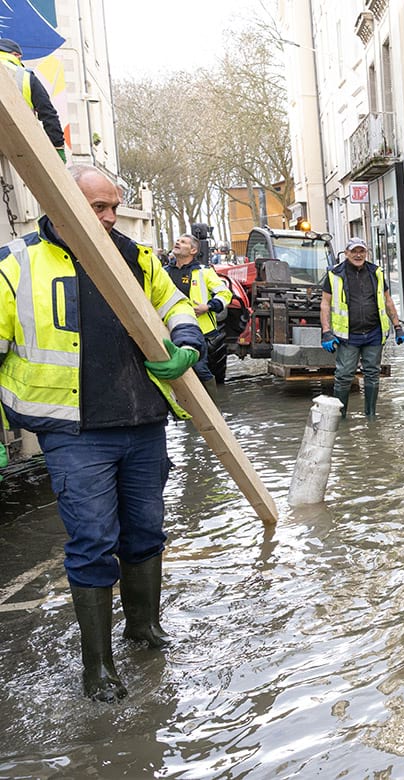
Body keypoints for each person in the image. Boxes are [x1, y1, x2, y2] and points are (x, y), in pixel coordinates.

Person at [0, 164, 204, 702]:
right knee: (92, 541)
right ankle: (98, 667)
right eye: (99, 207)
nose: (112, 217)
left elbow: (175, 305)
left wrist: (187, 341)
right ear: (61, 201)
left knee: (146, 530)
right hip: (73, 431)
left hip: (143, 420)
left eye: (115, 206)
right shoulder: (17, 264)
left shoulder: (137, 257)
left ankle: (143, 628)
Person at [319, 237, 404, 418]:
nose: (358, 255)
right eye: (354, 251)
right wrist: (326, 332)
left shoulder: (376, 273)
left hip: (373, 333)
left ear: (366, 253)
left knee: (372, 374)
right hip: (348, 336)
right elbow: (325, 304)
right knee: (343, 375)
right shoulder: (335, 274)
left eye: (362, 251)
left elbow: (388, 301)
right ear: (347, 252)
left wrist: (397, 326)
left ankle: (371, 415)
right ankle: (340, 417)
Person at [166, 233, 231, 395]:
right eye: (177, 240)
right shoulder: (164, 272)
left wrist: (208, 307)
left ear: (193, 250)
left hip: (199, 331)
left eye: (183, 242)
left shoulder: (204, 272)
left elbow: (225, 294)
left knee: (199, 369)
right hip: (169, 330)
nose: (177, 242)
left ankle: (211, 409)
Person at [0, 38, 66, 161]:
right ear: (15, 55)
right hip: (18, 143)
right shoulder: (25, 76)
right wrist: (58, 147)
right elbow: (48, 114)